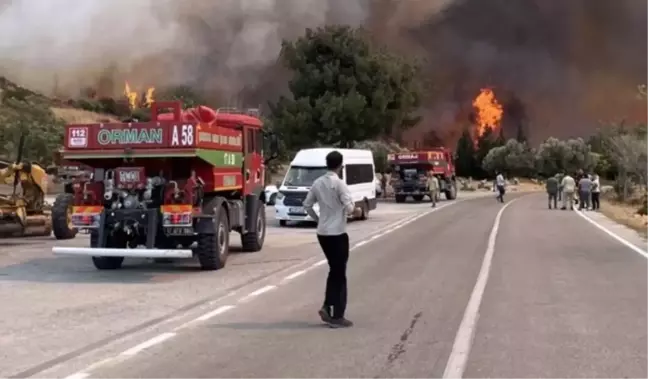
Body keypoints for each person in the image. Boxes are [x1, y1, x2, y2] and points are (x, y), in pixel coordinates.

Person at [303, 150, 360, 328]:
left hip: (323, 233)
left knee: (333, 271)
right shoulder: (340, 184)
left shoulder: (317, 183)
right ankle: (337, 315)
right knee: (339, 274)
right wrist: (356, 210)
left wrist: (318, 220)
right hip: (338, 233)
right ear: (340, 165)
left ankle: (328, 306)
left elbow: (307, 205)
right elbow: (350, 209)